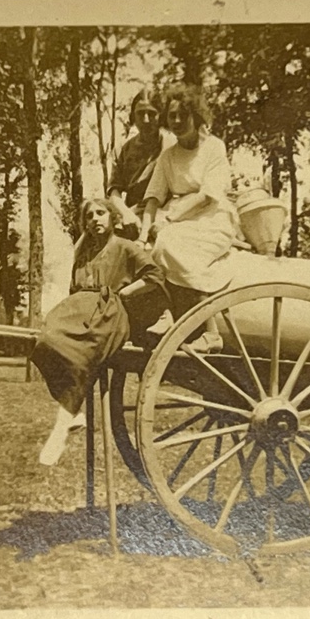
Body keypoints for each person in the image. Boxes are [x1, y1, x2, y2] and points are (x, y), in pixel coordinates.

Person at [32, 198, 167, 466]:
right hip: (82, 310)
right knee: (44, 343)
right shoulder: (84, 253)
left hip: (110, 313)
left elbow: (155, 275)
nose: (95, 219)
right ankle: (71, 413)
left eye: (101, 213)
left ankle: (63, 423)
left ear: (113, 217)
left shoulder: (125, 247)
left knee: (81, 353)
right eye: (89, 216)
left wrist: (123, 292)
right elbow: (75, 287)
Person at [138, 83, 237, 352]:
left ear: (196, 115)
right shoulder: (168, 156)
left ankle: (211, 331)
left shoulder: (213, 148)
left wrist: (168, 220)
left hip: (213, 218)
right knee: (153, 249)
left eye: (184, 114)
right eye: (172, 116)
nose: (178, 121)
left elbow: (207, 196)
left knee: (171, 243)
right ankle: (168, 313)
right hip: (177, 220)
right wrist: (143, 233)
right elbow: (153, 198)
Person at [106, 89, 175, 239]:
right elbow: (113, 191)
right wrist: (125, 213)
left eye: (151, 113)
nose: (145, 119)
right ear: (133, 116)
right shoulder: (123, 149)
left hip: (163, 210)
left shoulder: (172, 146)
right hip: (131, 211)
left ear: (160, 116)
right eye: (140, 113)